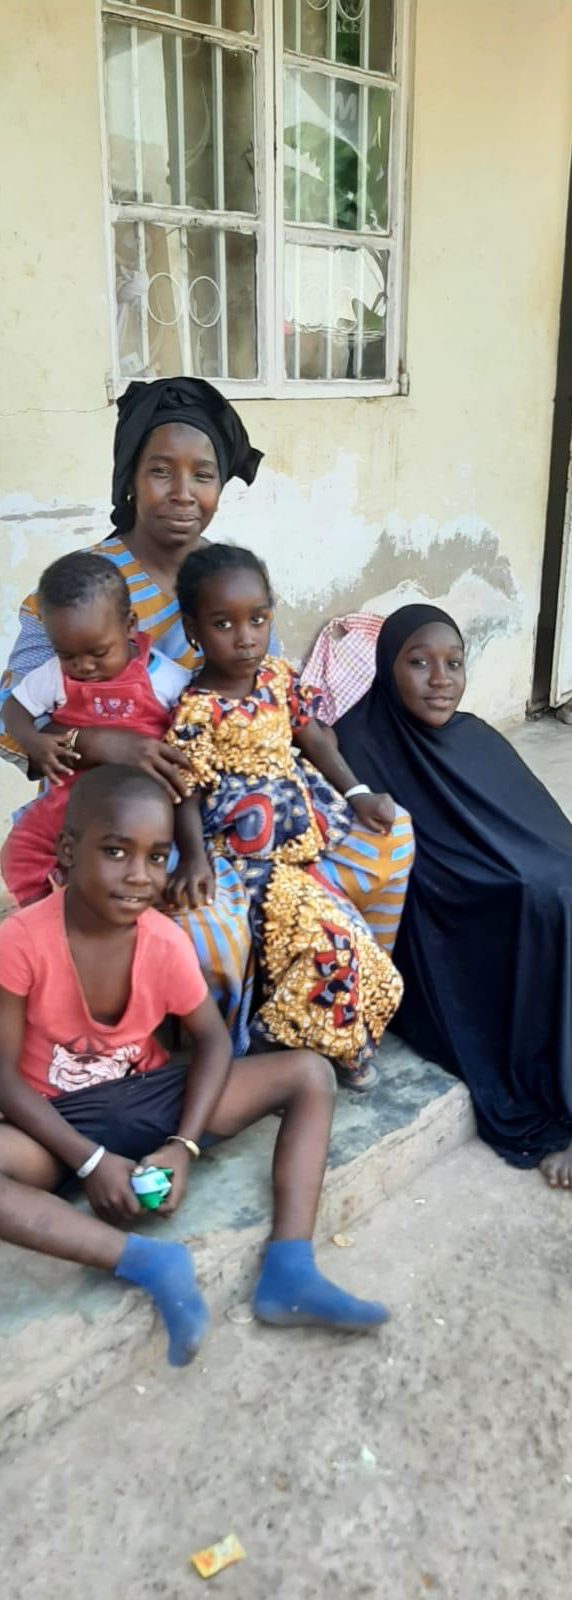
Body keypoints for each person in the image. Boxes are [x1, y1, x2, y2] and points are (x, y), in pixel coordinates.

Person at [0, 765, 389, 1367]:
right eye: (115, 851)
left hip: (149, 1101)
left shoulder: (162, 940)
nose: (139, 875)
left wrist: (182, 1146)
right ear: (69, 851)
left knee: (309, 1074)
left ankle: (290, 1270)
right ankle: (147, 1261)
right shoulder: (21, 940)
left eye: (157, 857)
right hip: (54, 1127)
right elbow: (3, 1077)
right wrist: (91, 1161)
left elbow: (211, 1041)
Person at [0, 378, 272, 1046]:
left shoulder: (226, 578)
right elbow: (11, 721)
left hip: (204, 807)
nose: (182, 492)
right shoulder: (82, 584)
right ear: (129, 478)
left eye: (203, 475)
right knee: (205, 928)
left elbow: (256, 692)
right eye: (160, 471)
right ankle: (153, 1053)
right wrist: (100, 743)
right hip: (106, 819)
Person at [334, 603, 572, 1183]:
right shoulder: (357, 744)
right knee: (541, 899)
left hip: (518, 886)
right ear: (388, 667)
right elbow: (402, 865)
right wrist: (525, 882)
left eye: (454, 663)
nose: (441, 680)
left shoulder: (475, 736)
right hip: (448, 914)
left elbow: (543, 827)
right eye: (419, 663)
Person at [163, 543, 414, 1088]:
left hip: (306, 838)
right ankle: (288, 1048)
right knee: (330, 940)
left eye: (258, 619)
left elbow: (313, 737)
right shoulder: (197, 708)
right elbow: (187, 789)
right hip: (249, 858)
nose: (245, 637)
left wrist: (358, 793)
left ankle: (330, 1039)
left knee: (351, 938)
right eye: (224, 624)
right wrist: (196, 859)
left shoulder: (277, 677)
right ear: (193, 629)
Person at [1, 552, 191, 905]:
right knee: (19, 852)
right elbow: (14, 707)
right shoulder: (54, 676)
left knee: (162, 867)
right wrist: (34, 741)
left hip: (143, 806)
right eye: (68, 656)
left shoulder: (167, 678)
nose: (83, 666)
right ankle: (45, 914)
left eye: (98, 652)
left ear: (130, 625)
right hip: (70, 802)